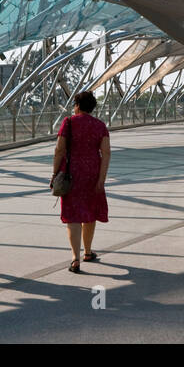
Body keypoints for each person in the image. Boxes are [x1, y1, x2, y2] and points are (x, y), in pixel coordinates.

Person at [51, 90, 111, 273]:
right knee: (90, 211)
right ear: (92, 107)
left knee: (73, 215)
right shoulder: (100, 126)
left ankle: (75, 258)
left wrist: (55, 174)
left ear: (77, 105)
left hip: (71, 173)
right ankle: (88, 251)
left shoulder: (68, 123)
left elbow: (59, 150)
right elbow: (106, 153)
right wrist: (102, 178)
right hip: (92, 172)